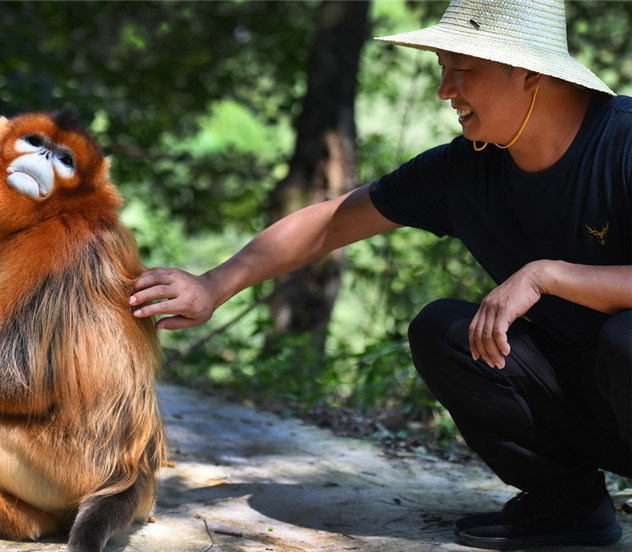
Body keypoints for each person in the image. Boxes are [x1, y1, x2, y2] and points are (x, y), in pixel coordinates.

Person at [129, 0, 632, 549]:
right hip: (597, 404)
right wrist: (213, 285)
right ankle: (569, 508)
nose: (445, 90)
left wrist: (546, 276)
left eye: (463, 70)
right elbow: (332, 222)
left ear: (530, 72)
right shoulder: (465, 170)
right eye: (442, 69)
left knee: (625, 336)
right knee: (445, 331)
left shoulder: (624, 142)